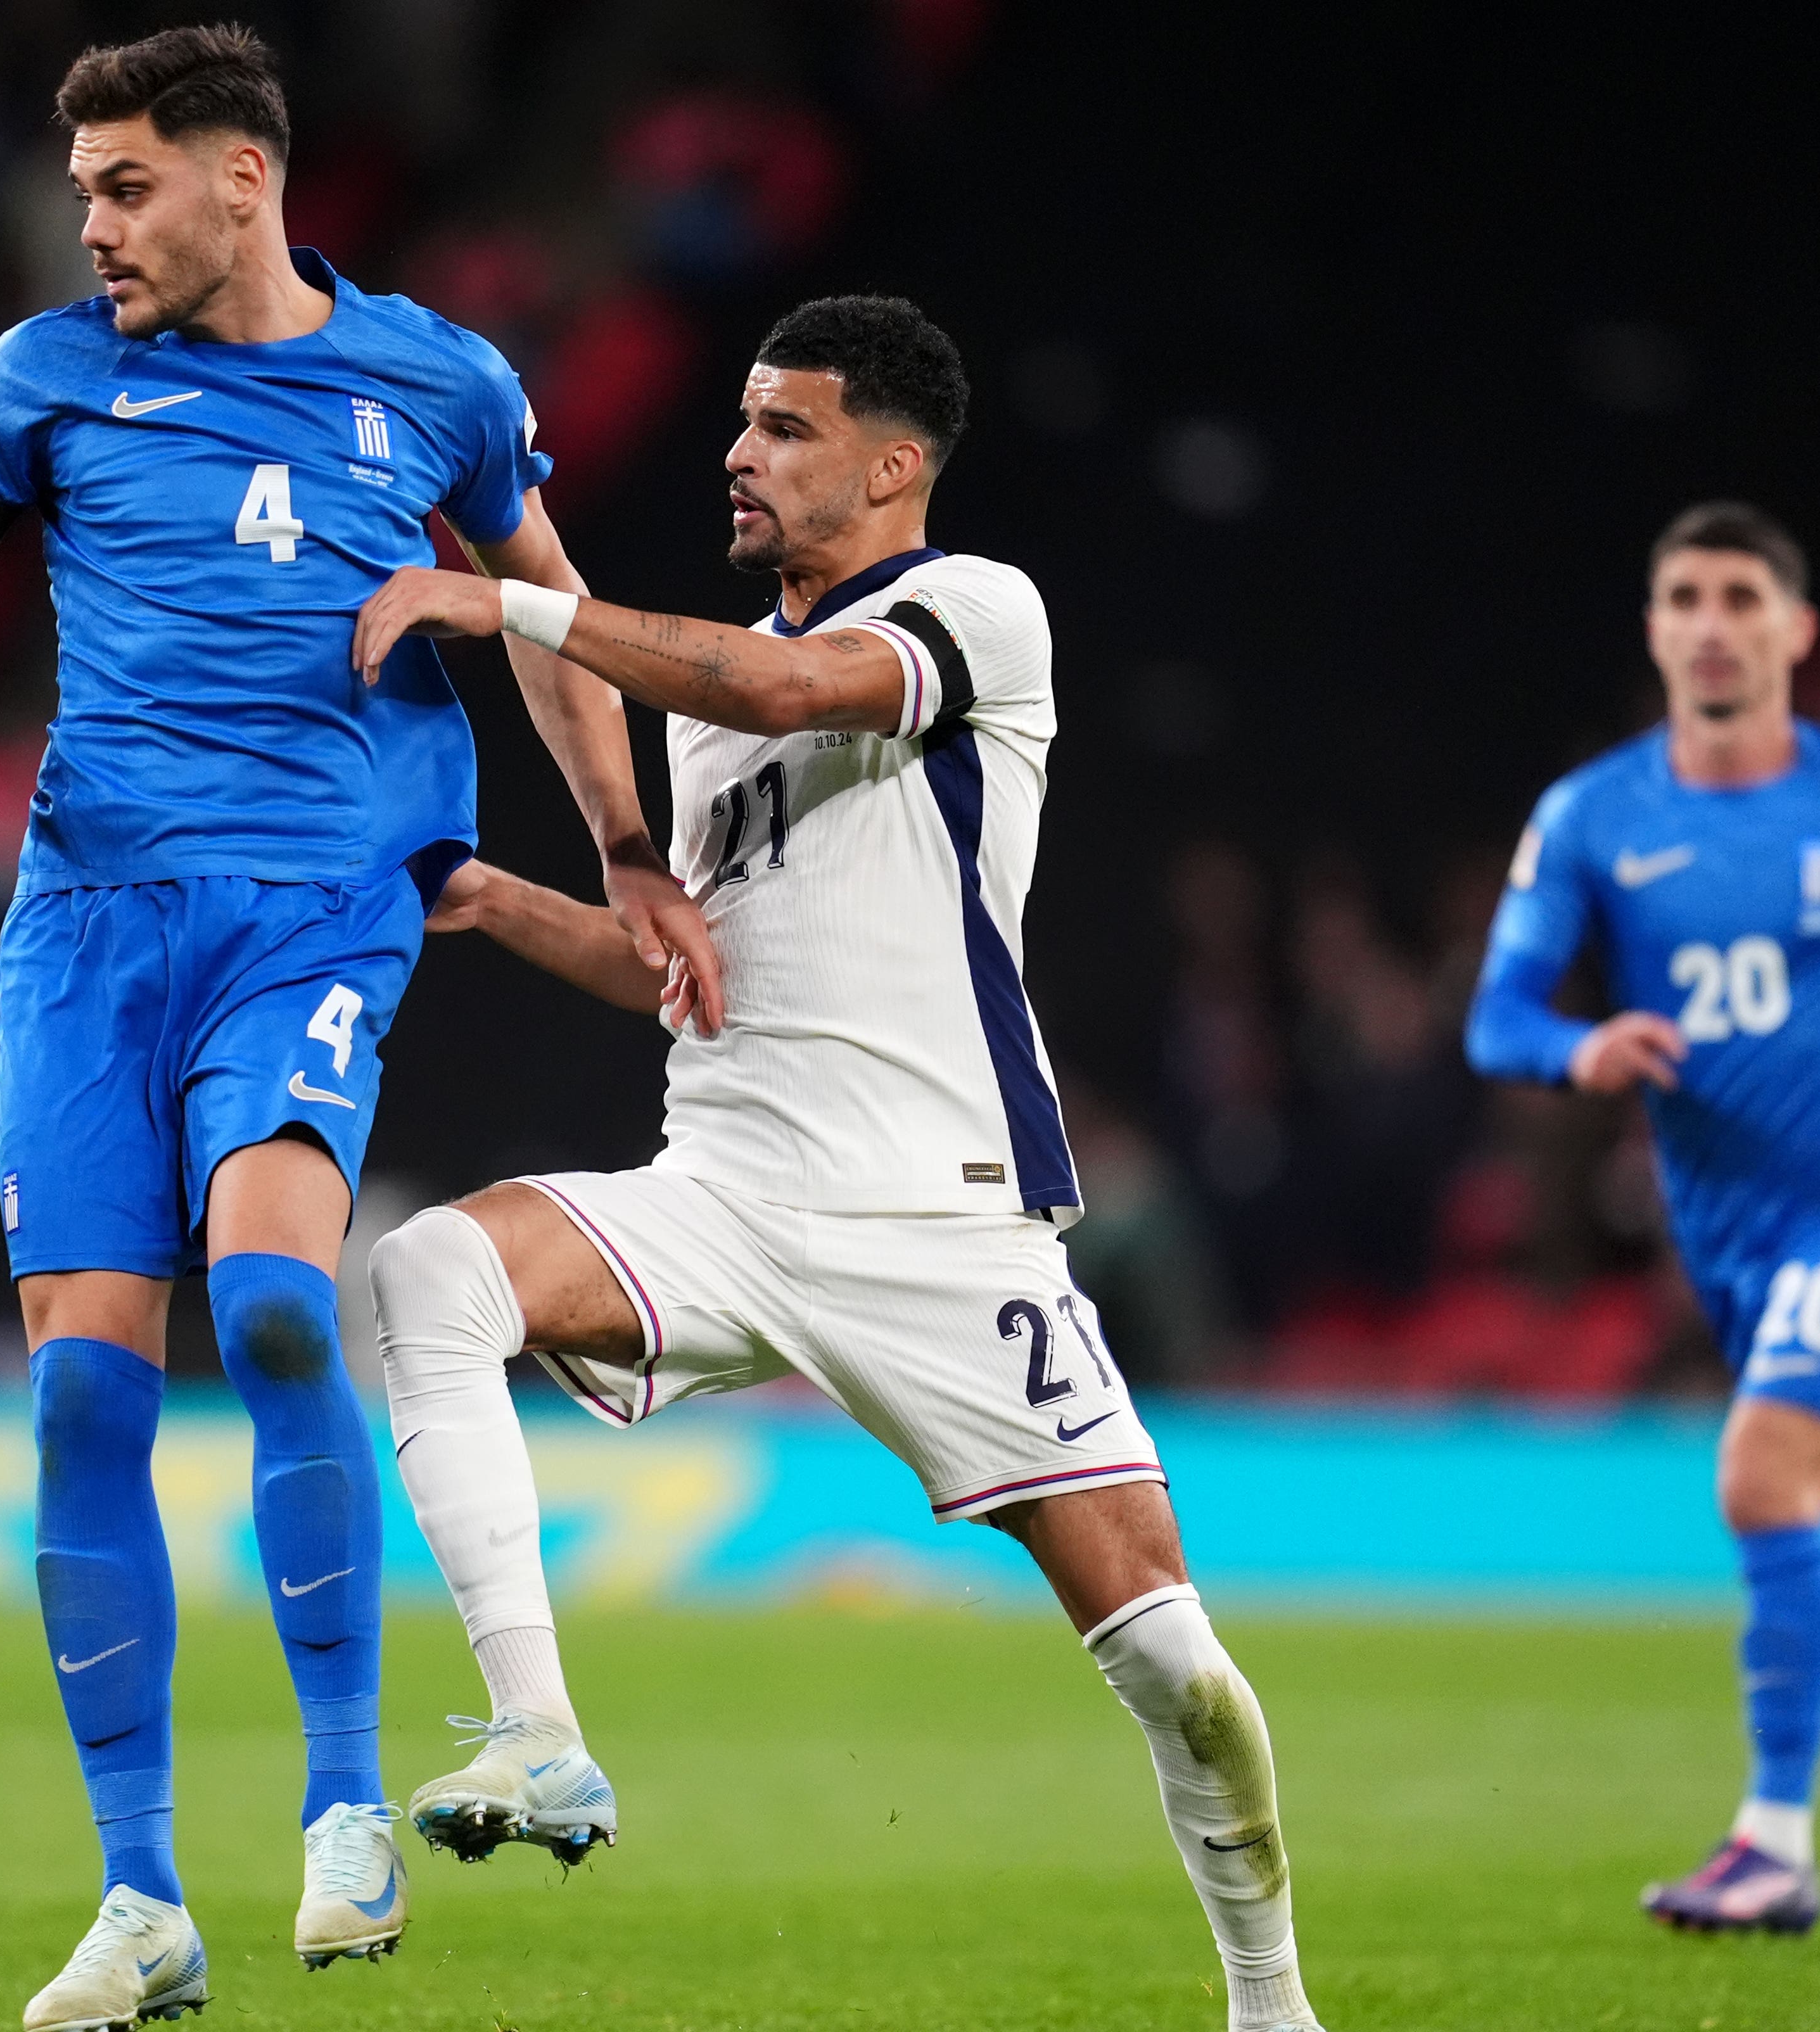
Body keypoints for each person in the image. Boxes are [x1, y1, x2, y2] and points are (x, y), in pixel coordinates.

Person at [0, 24, 715, 2031]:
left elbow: (551, 619)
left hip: (319, 908)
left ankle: (345, 1803)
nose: (87, 224)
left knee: (275, 1303)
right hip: (85, 932)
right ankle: (139, 1898)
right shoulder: (42, 379)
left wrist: (625, 844)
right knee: (87, 1397)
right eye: (80, 190)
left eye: (121, 187)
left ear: (243, 179)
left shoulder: (438, 380)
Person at [352, 295, 1328, 2032]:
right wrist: (494, 900)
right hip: (724, 1193)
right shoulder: (701, 707)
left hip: (941, 1224)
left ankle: (1267, 2002)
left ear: (893, 466)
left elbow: (792, 679)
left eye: (782, 429)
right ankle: (541, 1734)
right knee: (429, 1269)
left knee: (1174, 1664)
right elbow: (695, 971)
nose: (735, 453)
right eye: (736, 423)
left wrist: (499, 597)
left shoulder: (972, 612)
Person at [1466, 502, 1820, 1935]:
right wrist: (1575, 1051)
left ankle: (1773, 1843)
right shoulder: (1595, 814)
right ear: (1656, 628)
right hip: (1730, 1238)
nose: (1712, 622)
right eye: (1686, 597)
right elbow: (1501, 1012)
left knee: (1762, 1478)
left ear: (1795, 631)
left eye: (1739, 596)